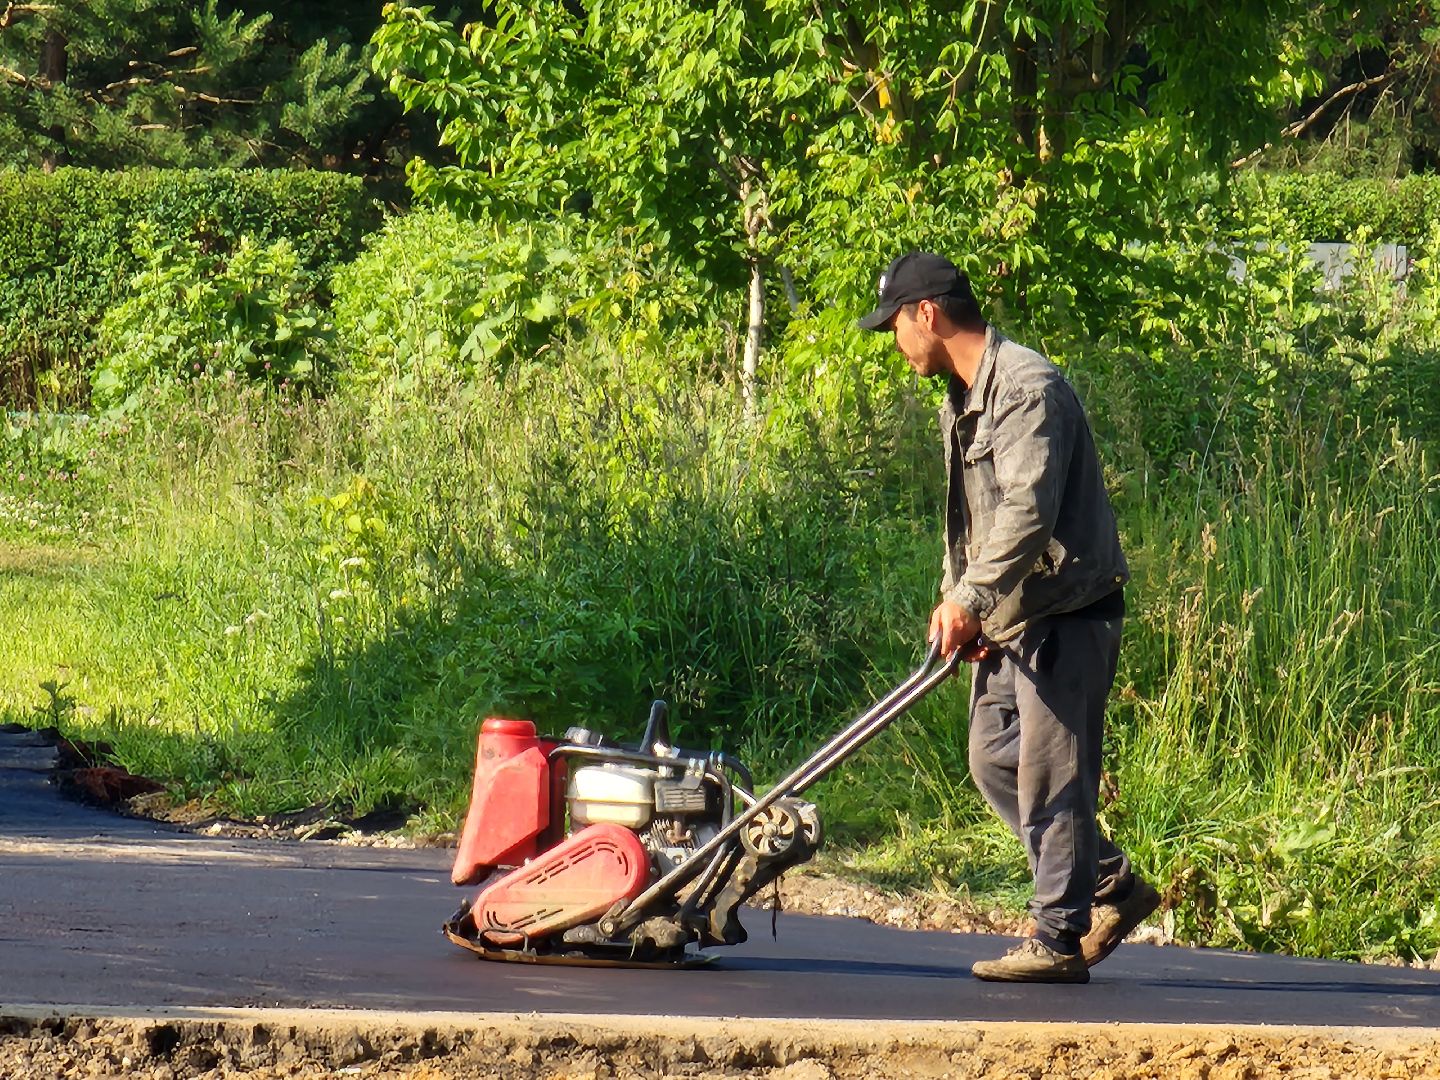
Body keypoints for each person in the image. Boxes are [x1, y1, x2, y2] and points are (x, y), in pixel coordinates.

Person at [857, 251, 1160, 984]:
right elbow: (971, 522)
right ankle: (1112, 884)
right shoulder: (962, 398)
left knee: (1051, 775)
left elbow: (1028, 511)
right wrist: (963, 605)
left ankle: (1058, 939)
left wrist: (972, 600)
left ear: (926, 313)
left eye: (895, 324)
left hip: (1067, 609)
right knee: (994, 758)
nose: (896, 342)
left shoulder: (1025, 387)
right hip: (1012, 616)